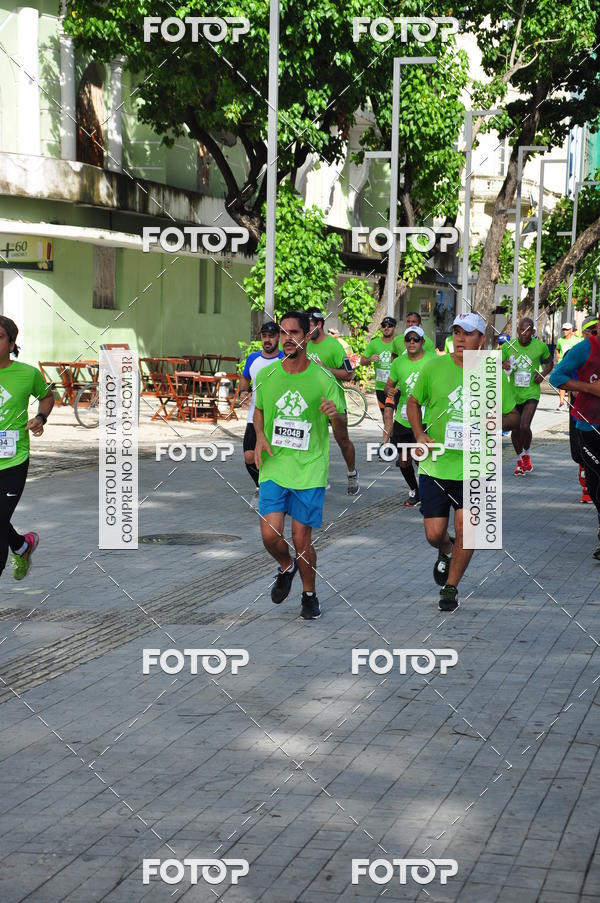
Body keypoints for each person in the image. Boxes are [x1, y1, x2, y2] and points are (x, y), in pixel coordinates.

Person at [407, 312, 518, 612]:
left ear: (481, 339)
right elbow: (413, 402)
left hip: (476, 466)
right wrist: (418, 434)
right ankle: (446, 548)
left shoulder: (492, 373)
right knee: (434, 534)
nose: (460, 338)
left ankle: (451, 588)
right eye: (457, 332)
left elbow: (514, 415)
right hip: (436, 465)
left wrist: (495, 421)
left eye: (468, 333)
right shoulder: (434, 367)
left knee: (467, 530)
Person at [253, 311, 343, 618]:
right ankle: (286, 565)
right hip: (275, 465)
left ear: (307, 335)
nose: (287, 338)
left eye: (294, 332)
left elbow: (342, 425)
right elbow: (259, 410)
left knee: (301, 537)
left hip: (309, 468)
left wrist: (335, 415)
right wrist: (259, 437)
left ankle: (309, 594)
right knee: (269, 535)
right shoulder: (267, 375)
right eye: (283, 332)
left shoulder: (323, 378)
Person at [0, 317, 54, 582]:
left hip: (13, 460)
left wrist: (40, 418)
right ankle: (22, 546)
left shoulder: (27, 374)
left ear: (11, 344)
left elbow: (47, 396)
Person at [550, 314, 600, 556]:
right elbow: (556, 377)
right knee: (595, 483)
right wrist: (590, 388)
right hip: (589, 427)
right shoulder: (585, 349)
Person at [306, 308, 359, 494]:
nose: (306, 329)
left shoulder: (334, 346)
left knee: (342, 440)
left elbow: (349, 374)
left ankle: (352, 473)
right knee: (313, 440)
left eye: (309, 325)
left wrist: (325, 369)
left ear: (319, 324)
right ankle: (319, 478)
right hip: (311, 402)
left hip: (334, 401)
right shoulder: (303, 344)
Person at [382, 326, 434, 506]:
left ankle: (428, 493)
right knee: (404, 461)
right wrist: (390, 390)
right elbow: (387, 386)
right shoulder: (398, 362)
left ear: (423, 341)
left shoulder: (432, 359)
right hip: (403, 419)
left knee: (421, 458)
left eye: (416, 339)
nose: (412, 342)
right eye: (408, 339)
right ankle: (415, 490)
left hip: (426, 417)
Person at [239, 322, 283, 508]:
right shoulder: (253, 359)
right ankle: (260, 487)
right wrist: (243, 391)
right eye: (264, 336)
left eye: (271, 336)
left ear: (278, 337)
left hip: (279, 418)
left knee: (275, 457)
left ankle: (277, 491)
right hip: (255, 415)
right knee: (249, 456)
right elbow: (245, 377)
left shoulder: (285, 358)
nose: (267, 340)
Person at [502, 317, 553, 475]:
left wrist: (543, 374)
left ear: (532, 332)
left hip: (531, 391)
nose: (524, 333)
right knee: (515, 429)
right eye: (521, 330)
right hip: (513, 393)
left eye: (527, 330)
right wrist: (504, 364)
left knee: (524, 426)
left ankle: (526, 452)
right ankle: (521, 459)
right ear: (517, 330)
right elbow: (496, 362)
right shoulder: (508, 346)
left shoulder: (540, 346)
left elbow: (549, 362)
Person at [360, 316, 398, 418]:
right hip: (380, 387)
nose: (386, 328)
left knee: (396, 417)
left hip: (395, 387)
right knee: (385, 416)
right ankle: (388, 430)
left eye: (389, 326)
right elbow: (362, 361)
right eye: (384, 325)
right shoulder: (374, 343)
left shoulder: (399, 343)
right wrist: (370, 359)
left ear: (394, 328)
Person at [555, 322, 582, 409]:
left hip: (573, 366)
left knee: (571, 384)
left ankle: (569, 402)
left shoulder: (577, 340)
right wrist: (558, 357)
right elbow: (557, 350)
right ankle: (561, 402)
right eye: (563, 329)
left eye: (566, 329)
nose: (564, 331)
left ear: (571, 330)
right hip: (563, 364)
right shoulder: (560, 340)